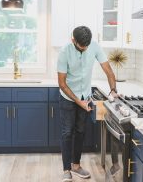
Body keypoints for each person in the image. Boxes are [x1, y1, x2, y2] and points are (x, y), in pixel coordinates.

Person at [57, 26, 118, 181]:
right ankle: (66, 170)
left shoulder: (94, 46)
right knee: (67, 132)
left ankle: (76, 166)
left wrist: (113, 90)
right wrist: (80, 102)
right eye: (81, 48)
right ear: (73, 41)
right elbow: (62, 84)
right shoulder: (64, 52)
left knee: (80, 131)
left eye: (87, 47)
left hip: (86, 95)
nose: (85, 49)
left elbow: (108, 70)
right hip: (68, 97)